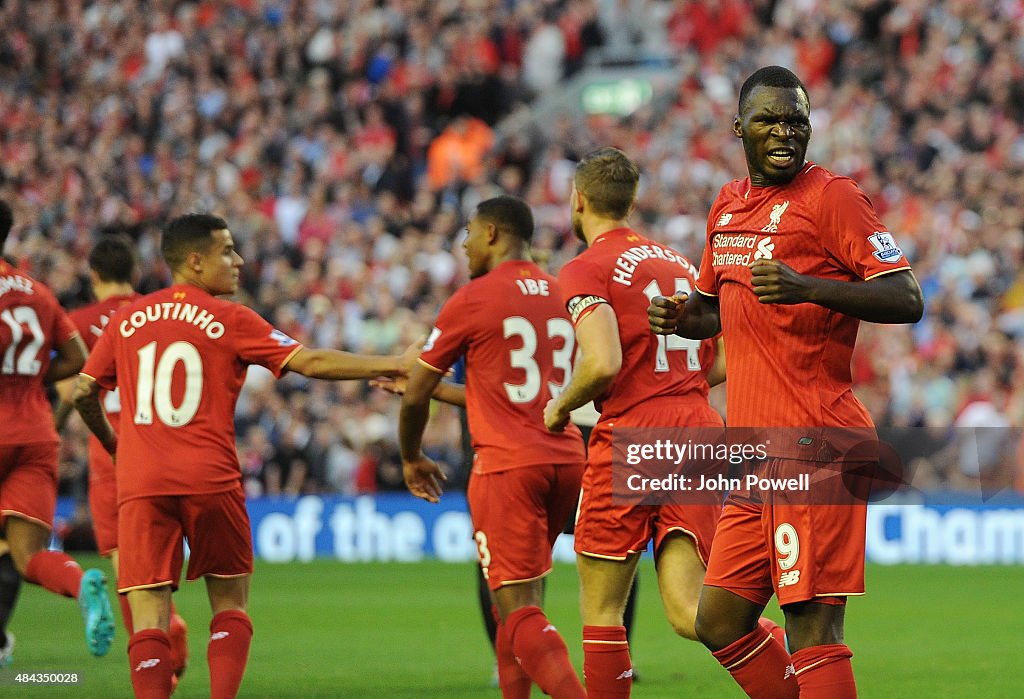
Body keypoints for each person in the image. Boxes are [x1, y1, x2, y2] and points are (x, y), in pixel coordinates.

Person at [648, 66, 924, 698]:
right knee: (717, 620)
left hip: (817, 440)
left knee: (812, 627)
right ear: (738, 127)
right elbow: (715, 307)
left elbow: (906, 297)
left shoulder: (833, 198)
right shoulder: (726, 204)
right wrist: (680, 317)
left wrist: (809, 288)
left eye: (796, 121)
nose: (784, 132)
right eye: (769, 120)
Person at [72, 213, 415, 699]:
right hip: (210, 477)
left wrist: (112, 443)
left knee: (149, 617)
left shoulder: (127, 319)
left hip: (141, 480)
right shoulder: (230, 319)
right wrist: (395, 361)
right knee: (229, 605)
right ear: (194, 261)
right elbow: (311, 362)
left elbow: (83, 392)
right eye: (226, 251)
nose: (238, 261)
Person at [542, 147, 740, 698]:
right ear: (631, 202)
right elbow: (721, 360)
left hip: (635, 433)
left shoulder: (584, 268)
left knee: (603, 611)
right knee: (692, 612)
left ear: (577, 201)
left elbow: (602, 363)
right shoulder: (678, 263)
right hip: (698, 426)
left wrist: (559, 407)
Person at [398, 195, 587, 698]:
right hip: (567, 458)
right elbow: (504, 388)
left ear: (492, 234)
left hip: (508, 465)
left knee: (518, 607)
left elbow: (416, 393)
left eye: (468, 231)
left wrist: (412, 455)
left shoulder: (474, 298)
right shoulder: (563, 293)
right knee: (521, 601)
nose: (462, 243)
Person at [54, 235, 190, 681]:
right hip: (162, 450)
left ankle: (160, 652)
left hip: (109, 454)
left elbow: (69, 393)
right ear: (135, 272)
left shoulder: (76, 322)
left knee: (127, 570)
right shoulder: (158, 314)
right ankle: (168, 629)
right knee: (158, 561)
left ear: (93, 275)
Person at [0, 199, 116, 663]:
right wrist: (28, 378)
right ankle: (77, 582)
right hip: (33, 432)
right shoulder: (37, 292)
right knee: (28, 556)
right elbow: (76, 360)